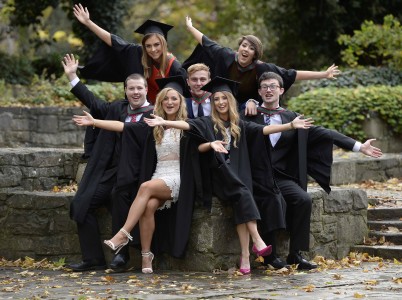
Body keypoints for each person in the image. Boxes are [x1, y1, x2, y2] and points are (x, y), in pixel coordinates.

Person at [144, 76, 313, 274]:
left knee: (242, 194)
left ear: (230, 101)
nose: (221, 102)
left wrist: (289, 126)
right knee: (242, 191)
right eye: (216, 99)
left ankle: (245, 257)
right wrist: (165, 121)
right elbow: (188, 126)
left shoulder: (240, 124)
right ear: (213, 102)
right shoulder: (207, 122)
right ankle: (257, 241)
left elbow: (264, 129)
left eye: (224, 98)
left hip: (237, 178)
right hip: (216, 177)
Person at [242, 72, 383, 270]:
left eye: (273, 86)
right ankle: (270, 256)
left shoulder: (291, 117)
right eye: (264, 86)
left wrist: (358, 146)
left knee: (303, 199)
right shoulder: (249, 113)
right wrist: (247, 102)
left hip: (281, 176)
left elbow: (322, 133)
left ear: (281, 90)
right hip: (255, 175)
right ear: (259, 91)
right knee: (274, 200)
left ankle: (295, 254)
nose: (268, 90)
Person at [73, 76, 200, 274]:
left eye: (174, 99)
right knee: (148, 206)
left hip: (176, 176)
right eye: (166, 99)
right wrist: (95, 122)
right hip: (159, 174)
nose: (169, 102)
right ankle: (146, 256)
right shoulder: (153, 125)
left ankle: (123, 234)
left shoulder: (189, 124)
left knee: (144, 187)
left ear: (181, 101)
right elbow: (124, 127)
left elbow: (193, 130)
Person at [62, 54, 153, 272]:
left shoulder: (154, 114)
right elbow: (94, 103)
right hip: (110, 171)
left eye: (139, 88)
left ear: (146, 89)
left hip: (137, 174)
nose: (135, 92)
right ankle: (93, 258)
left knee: (118, 198)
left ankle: (121, 256)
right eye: (131, 89)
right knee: (81, 204)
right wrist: (73, 77)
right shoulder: (117, 109)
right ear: (125, 90)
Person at [183, 16, 340, 114]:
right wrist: (190, 27)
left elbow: (290, 74)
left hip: (246, 106)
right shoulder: (226, 56)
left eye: (251, 48)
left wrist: (323, 74)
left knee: (251, 111)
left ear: (255, 54)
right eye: (244, 45)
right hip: (222, 101)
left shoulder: (262, 67)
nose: (246, 49)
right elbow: (207, 42)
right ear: (239, 47)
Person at [73, 3, 186, 103]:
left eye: (157, 45)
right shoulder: (137, 53)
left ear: (164, 44)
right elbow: (113, 41)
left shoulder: (173, 65)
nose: (152, 49)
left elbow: (184, 93)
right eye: (148, 46)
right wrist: (88, 22)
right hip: (139, 109)